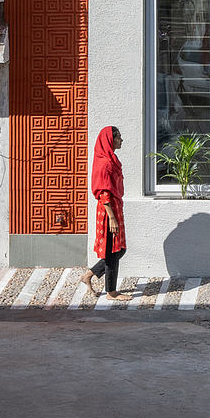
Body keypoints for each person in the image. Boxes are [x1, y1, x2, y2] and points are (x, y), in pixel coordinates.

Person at [82, 125, 125, 298]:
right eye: (118, 137)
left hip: (114, 209)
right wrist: (112, 218)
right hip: (109, 211)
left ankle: (89, 275)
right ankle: (111, 292)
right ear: (110, 139)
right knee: (114, 250)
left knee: (118, 249)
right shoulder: (105, 162)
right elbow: (104, 192)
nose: (121, 140)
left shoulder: (110, 158)